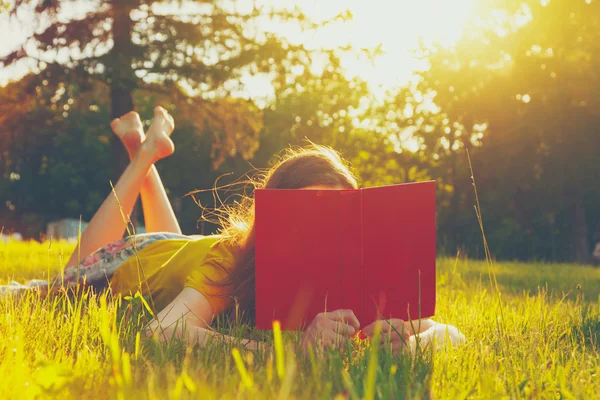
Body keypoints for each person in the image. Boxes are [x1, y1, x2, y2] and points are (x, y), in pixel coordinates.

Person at [2, 107, 464, 353]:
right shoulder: (234, 258)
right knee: (61, 282)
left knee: (182, 249)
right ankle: (142, 155)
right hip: (132, 259)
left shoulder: (353, 277)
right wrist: (293, 353)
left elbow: (453, 335)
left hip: (182, 252)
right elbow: (162, 334)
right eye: (310, 215)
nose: (326, 232)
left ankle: (142, 147)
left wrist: (413, 342)